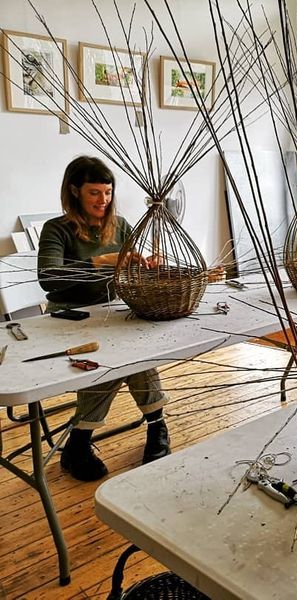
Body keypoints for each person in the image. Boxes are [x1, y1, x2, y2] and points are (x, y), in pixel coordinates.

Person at [38, 156, 171, 481]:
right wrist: (98, 262)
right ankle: (155, 429)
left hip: (112, 311)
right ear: (74, 191)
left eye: (108, 192)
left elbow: (125, 274)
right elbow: (49, 277)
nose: (103, 200)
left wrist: (144, 265)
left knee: (134, 354)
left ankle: (82, 442)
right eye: (94, 193)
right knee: (113, 361)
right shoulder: (57, 229)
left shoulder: (121, 225)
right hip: (67, 316)